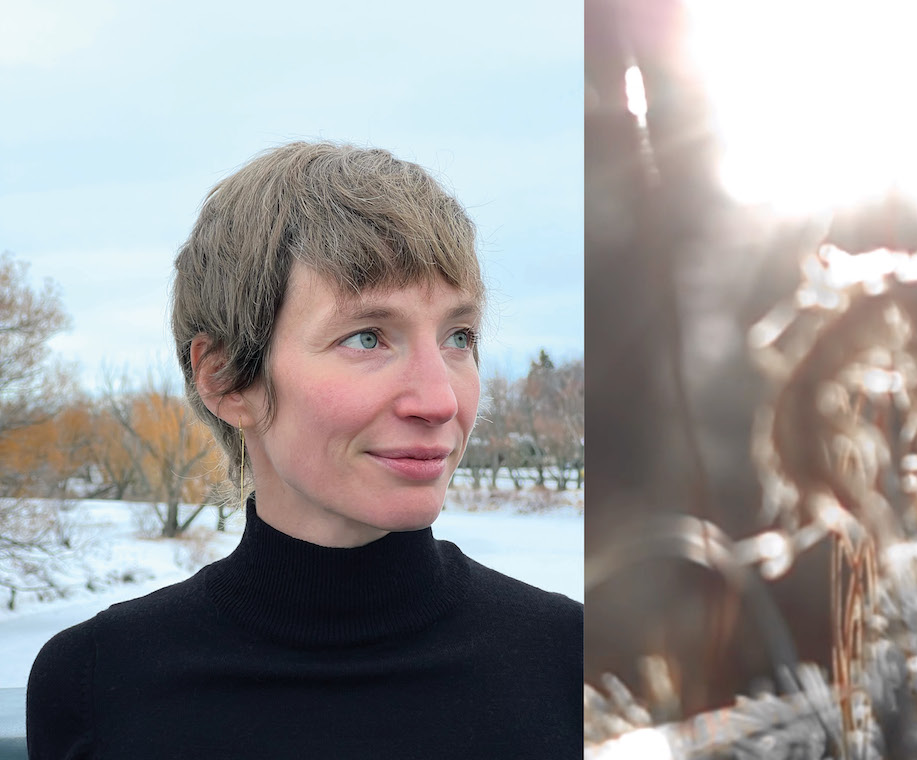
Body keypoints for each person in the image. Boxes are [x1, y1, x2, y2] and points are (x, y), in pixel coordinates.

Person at [25, 142, 581, 759]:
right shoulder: (96, 684)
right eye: (367, 337)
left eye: (459, 337)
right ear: (227, 380)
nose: (440, 400)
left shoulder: (578, 662)